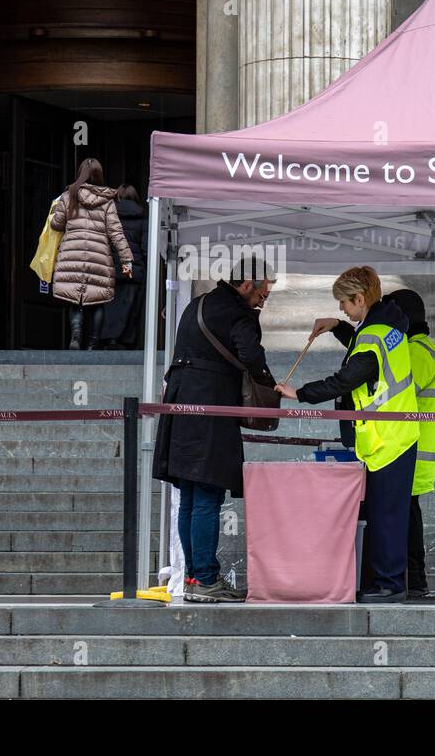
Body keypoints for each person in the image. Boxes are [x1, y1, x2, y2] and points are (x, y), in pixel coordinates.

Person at [276, 266, 419, 603]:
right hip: (394, 434)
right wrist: (338, 327)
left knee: (386, 516)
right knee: (387, 513)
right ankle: (383, 580)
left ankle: (390, 585)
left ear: (360, 298)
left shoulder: (372, 338)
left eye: (344, 304)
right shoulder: (387, 325)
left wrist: (300, 393)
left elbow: (348, 377)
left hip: (387, 438)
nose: (342, 309)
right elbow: (363, 348)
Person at [152, 263, 275, 603]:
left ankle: (193, 576)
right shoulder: (240, 314)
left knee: (190, 496)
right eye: (265, 288)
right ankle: (204, 578)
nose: (266, 295)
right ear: (248, 284)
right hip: (210, 408)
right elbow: (251, 356)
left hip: (180, 404)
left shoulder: (199, 303)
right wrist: (269, 386)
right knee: (206, 493)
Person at [385, 288, 435, 599]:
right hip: (407, 449)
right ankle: (413, 579)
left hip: (409, 451)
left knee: (406, 519)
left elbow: (391, 381)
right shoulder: (418, 348)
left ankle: (415, 580)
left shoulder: (418, 351)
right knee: (407, 516)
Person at [50, 158, 133, 350]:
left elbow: (57, 224)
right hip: (99, 258)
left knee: (75, 299)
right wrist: (126, 260)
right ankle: (93, 344)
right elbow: (116, 232)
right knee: (98, 302)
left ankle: (76, 334)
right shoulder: (107, 202)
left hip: (71, 254)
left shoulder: (68, 196)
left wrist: (55, 212)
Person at [96, 185, 147, 350]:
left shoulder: (108, 216)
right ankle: (123, 340)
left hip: (111, 266)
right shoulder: (142, 218)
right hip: (131, 267)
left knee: (110, 304)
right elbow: (145, 248)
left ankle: (108, 337)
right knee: (129, 304)